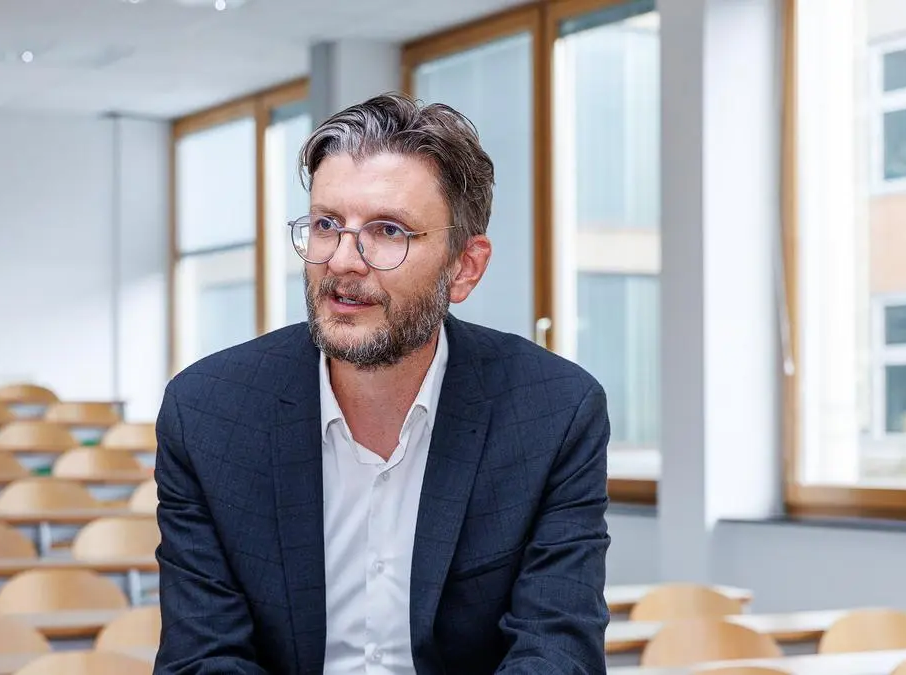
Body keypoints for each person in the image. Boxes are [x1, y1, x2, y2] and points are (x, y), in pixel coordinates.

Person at [153, 92, 610, 674]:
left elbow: (557, 650)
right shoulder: (208, 414)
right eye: (326, 225)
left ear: (464, 267)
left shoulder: (553, 412)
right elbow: (203, 659)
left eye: (388, 231)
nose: (344, 260)